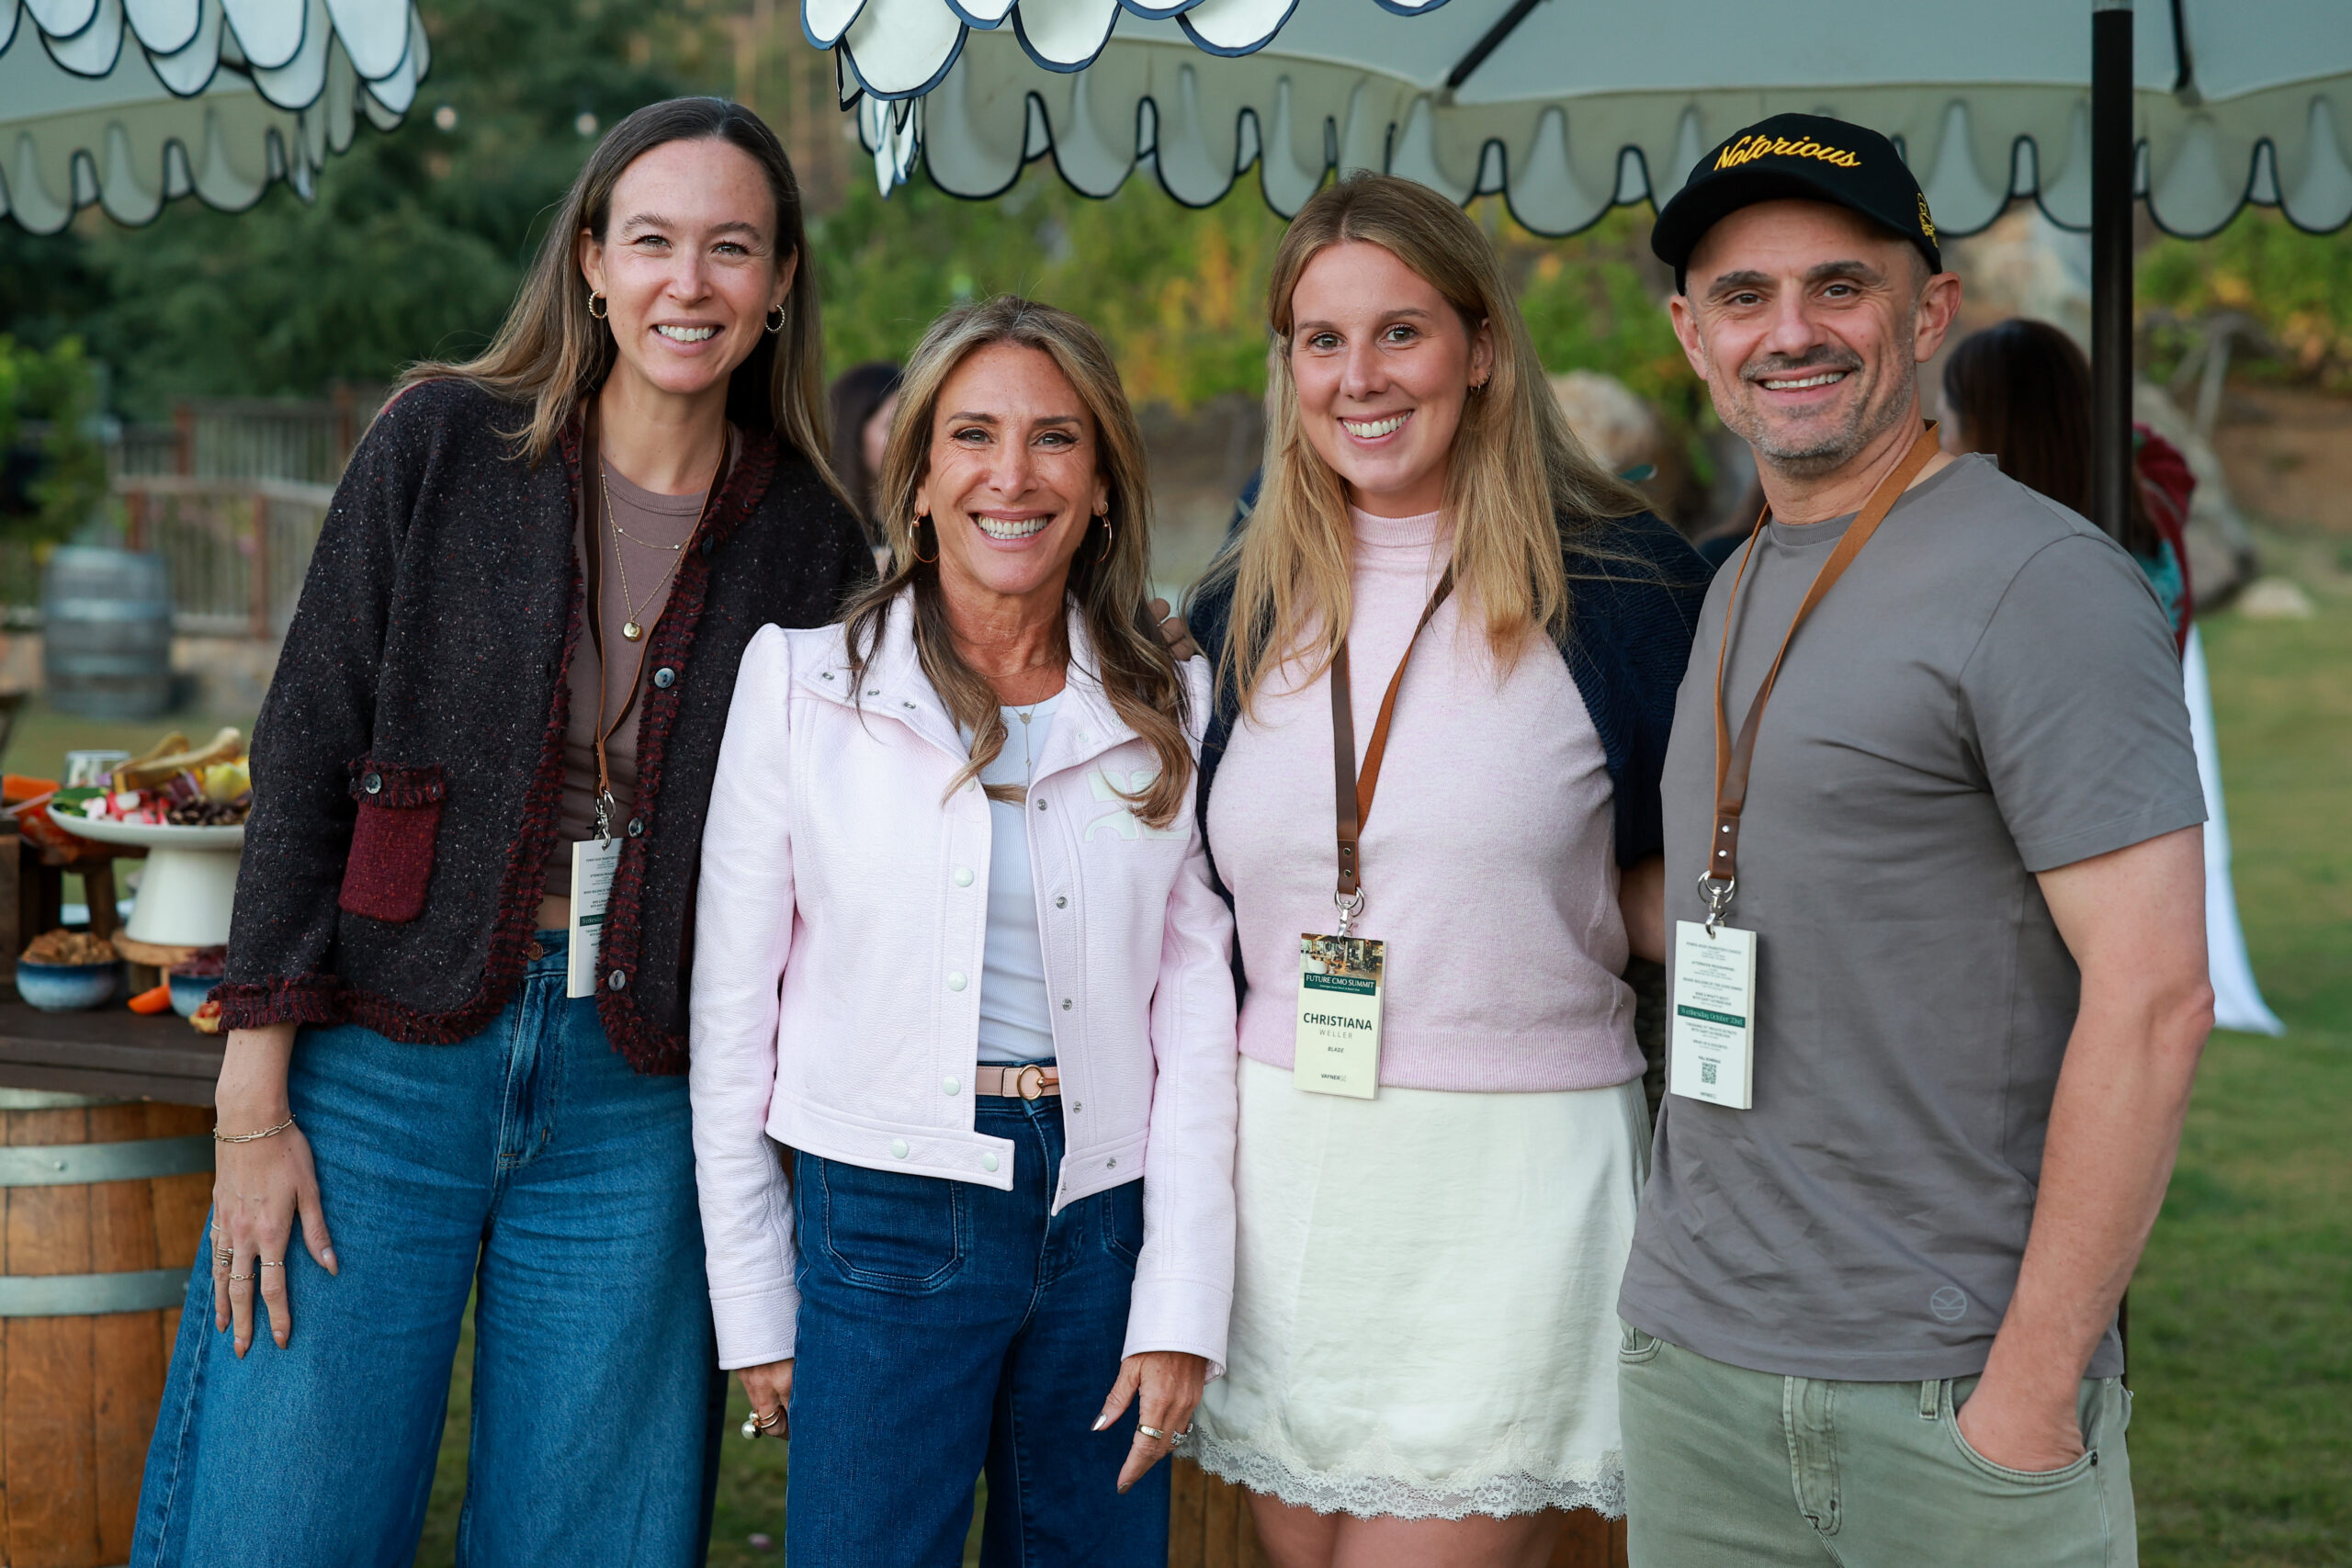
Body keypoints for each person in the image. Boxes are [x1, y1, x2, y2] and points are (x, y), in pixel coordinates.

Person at [138, 98, 869, 1565]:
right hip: (376, 1063)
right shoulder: (442, 444)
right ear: (590, 261)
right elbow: (306, 746)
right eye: (652, 241)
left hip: (637, 1095)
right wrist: (253, 1102)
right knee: (277, 1521)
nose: (688, 282)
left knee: (585, 1537)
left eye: (731, 248)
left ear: (781, 280)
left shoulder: (811, 537)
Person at [1618, 113, 2213, 1568]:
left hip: (1951, 1394)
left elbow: (2155, 998)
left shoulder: (2044, 580)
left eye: (1841, 286)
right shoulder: (1733, 580)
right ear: (1693, 335)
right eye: (1745, 296)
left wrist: (2030, 1392)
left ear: (1931, 311)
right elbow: (1749, 898)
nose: (1790, 331)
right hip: (1699, 1375)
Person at [1183, 173, 1708, 1568]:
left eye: (1400, 332)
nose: (1359, 377)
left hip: (1510, 1182)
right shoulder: (1241, 598)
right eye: (1322, 339)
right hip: (1284, 1175)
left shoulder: (1625, 589)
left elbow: (1692, 871)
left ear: (1480, 348)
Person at [689, 295, 1238, 1568]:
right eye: (973, 434)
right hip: (882, 1206)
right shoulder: (803, 683)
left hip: (1104, 1212)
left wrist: (1181, 1296)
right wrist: (755, 1299)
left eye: (1055, 437)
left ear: (1102, 483)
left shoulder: (1168, 692)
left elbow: (1197, 1009)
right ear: (920, 476)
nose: (1013, 474)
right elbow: (733, 1014)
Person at [1939, 317, 2198, 649]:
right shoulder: (2152, 513)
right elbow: (2158, 452)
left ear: (1985, 437)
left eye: (1944, 425)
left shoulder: (2009, 587)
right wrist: (2081, 424)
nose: (1940, 447)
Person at [829, 357, 903, 546]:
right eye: (893, 426)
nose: (907, 439)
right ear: (853, 429)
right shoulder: (820, 527)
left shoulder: (925, 524)